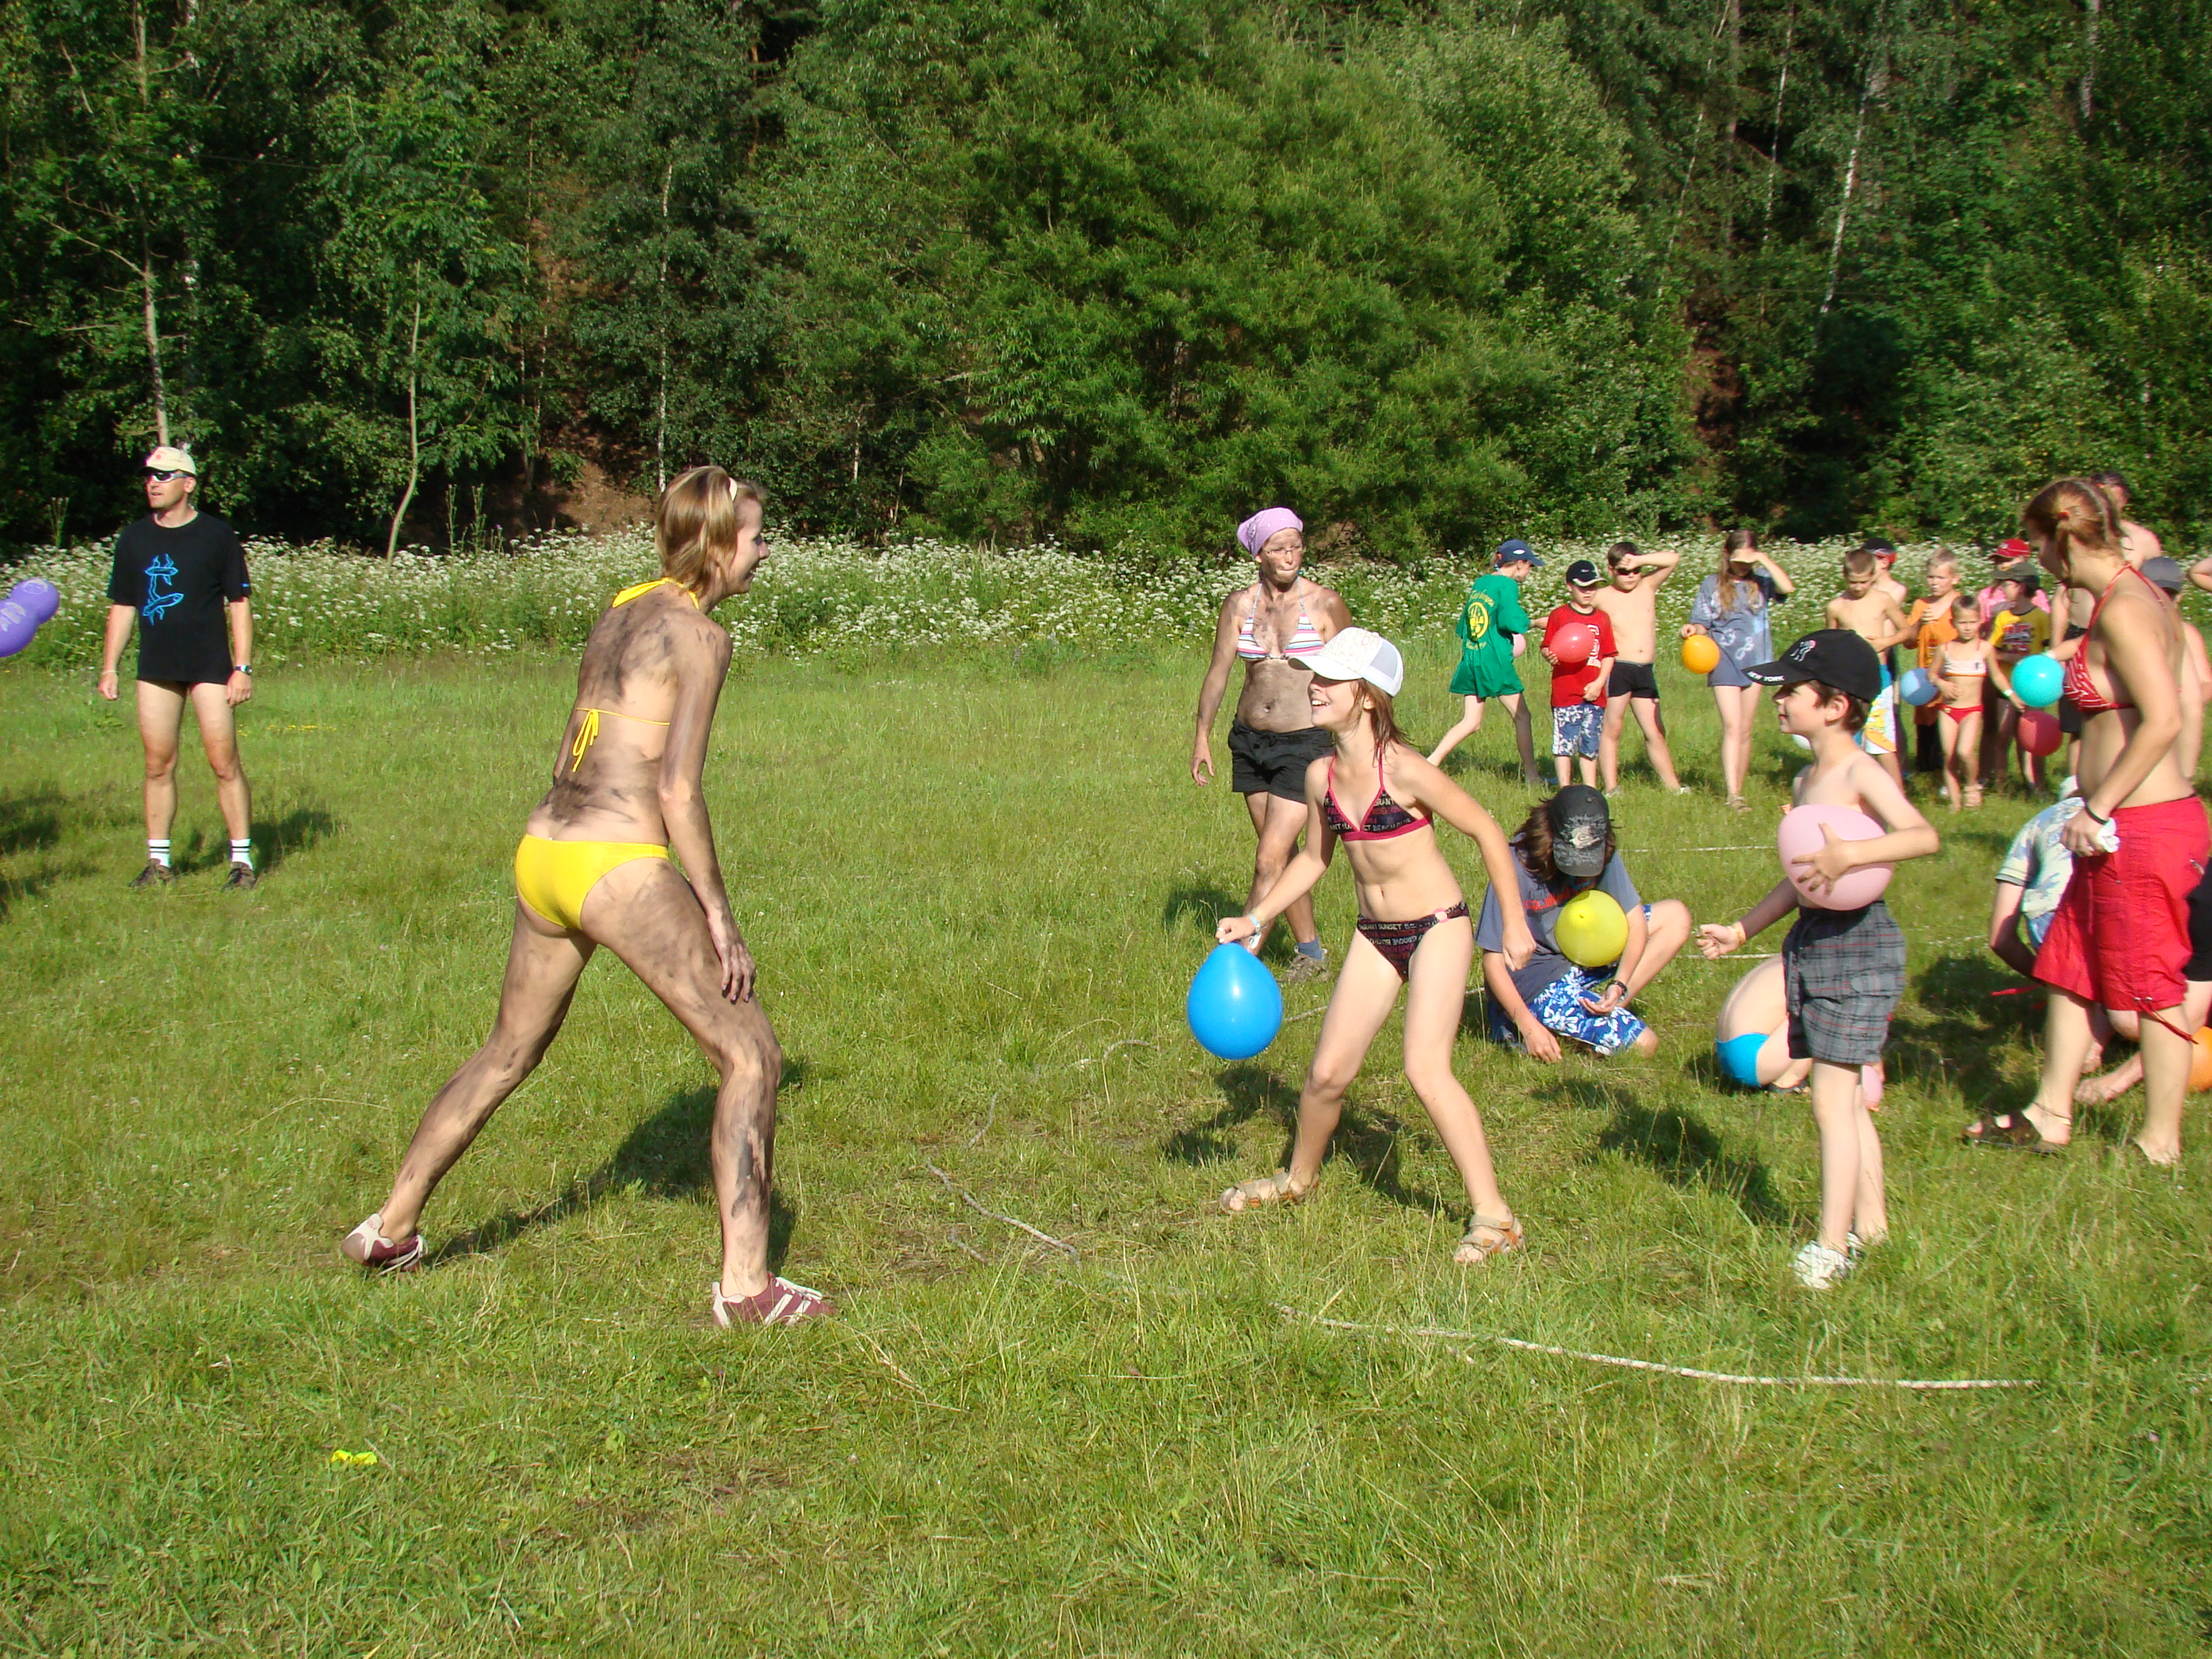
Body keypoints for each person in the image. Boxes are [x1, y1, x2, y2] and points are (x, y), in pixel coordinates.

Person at [340, 468, 832, 1327]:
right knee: (754, 1056)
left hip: (545, 852)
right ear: (718, 542)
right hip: (616, 862)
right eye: (757, 537)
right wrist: (720, 916)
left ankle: (390, 1228)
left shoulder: (626, 604)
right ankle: (748, 1288)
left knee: (507, 1051)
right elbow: (677, 788)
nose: (765, 552)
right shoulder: (701, 637)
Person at [1214, 628, 1538, 1265]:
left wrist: (1516, 925)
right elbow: (1314, 861)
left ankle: (1496, 1217)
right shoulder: (1320, 775)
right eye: (1315, 677)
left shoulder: (1407, 769)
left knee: (1425, 1069)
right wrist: (1256, 918)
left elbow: (1487, 831)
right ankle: (1297, 1182)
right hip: (1375, 935)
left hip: (1437, 927)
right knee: (1326, 1075)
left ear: (1366, 695)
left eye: (1329, 680)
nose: (1315, 688)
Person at [1963, 478, 2207, 1167]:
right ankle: (2050, 1112)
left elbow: (2164, 720)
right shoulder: (2126, 599)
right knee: (2070, 965)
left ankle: (2160, 1141)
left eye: (2039, 544)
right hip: (2109, 826)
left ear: (2062, 538)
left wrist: (2097, 808)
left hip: (2141, 826)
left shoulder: (2128, 608)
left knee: (2151, 985)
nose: (2038, 560)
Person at [1698, 630, 1940, 1289]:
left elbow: (1922, 836)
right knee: (1847, 1100)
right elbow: (1802, 878)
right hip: (1813, 943)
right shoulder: (1806, 778)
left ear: (1835, 706)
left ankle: (1831, 1247)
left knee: (1832, 1102)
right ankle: (1873, 1229)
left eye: (1792, 691)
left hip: (1859, 945)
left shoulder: (1860, 772)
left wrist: (1852, 854)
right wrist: (1742, 928)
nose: (1778, 700)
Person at [1193, 508, 1351, 981]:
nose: (1290, 556)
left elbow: (1354, 674)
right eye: (1279, 548)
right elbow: (1218, 672)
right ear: (1259, 554)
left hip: (1305, 744)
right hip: (1249, 742)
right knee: (1279, 854)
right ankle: (1312, 953)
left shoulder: (1325, 604)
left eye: (1296, 546)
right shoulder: (1238, 605)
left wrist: (1358, 742)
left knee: (1268, 859)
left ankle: (1236, 968)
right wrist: (1202, 736)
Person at [98, 446, 258, 890]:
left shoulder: (217, 535)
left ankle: (242, 863)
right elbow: (124, 605)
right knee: (157, 765)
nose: (153, 483)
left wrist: (242, 668)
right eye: (149, 476)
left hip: (210, 666)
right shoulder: (134, 538)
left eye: (164, 475)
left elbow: (239, 603)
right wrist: (110, 667)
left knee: (224, 763)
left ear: (188, 484)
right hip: (157, 667)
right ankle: (159, 863)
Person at [1477, 785, 1691, 1060]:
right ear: (1549, 835)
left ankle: (1607, 1008)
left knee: (1675, 916)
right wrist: (1528, 1027)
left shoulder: (1599, 847)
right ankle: (1524, 1023)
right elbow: (1492, 962)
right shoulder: (1515, 864)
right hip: (1536, 979)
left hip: (1582, 948)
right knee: (1645, 1044)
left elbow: (1635, 922)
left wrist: (1620, 985)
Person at [1683, 529, 1795, 811]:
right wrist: (1692, 630)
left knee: (1745, 729)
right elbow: (1702, 623)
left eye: (1748, 560)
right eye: (1738, 560)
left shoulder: (1763, 581)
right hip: (1723, 660)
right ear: (1727, 555)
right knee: (1732, 727)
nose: (1743, 566)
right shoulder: (1712, 584)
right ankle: (1733, 794)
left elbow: (1788, 588)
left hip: (1757, 661)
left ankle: (1739, 789)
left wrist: (1763, 559)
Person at [1428, 538, 1545, 786]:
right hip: (1495, 662)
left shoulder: (1481, 583)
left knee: (1471, 722)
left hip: (1472, 657)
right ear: (1520, 563)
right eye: (1530, 566)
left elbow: (1463, 626)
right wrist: (1535, 623)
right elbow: (1511, 621)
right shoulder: (1507, 585)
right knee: (1522, 716)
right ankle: (1532, 776)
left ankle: (1430, 763)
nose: (1530, 571)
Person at [1593, 541, 1687, 795]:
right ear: (1611, 570)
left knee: (1655, 730)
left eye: (1636, 570)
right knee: (1612, 728)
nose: (1631, 576)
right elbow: (1573, 614)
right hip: (1618, 668)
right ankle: (1612, 786)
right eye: (1624, 571)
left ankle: (1673, 787)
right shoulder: (1602, 596)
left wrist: (1639, 559)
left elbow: (1673, 558)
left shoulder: (1647, 586)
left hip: (1644, 670)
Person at [1824, 549, 1910, 787]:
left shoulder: (1883, 600)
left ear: (1873, 576)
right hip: (1848, 678)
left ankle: (1897, 795)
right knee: (1849, 737)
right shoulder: (1836, 606)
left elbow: (1906, 630)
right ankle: (1850, 790)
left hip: (1877, 676)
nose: (1859, 587)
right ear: (1844, 576)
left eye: (1864, 582)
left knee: (1881, 741)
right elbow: (1830, 642)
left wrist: (1885, 642)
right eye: (1853, 582)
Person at [1542, 560, 1616, 788]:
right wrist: (1549, 655)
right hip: (1566, 691)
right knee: (1564, 744)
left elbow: (1609, 655)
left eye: (1593, 586)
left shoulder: (1602, 618)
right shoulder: (1559, 616)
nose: (1588, 591)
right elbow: (1547, 646)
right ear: (1570, 586)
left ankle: (1589, 789)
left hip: (1595, 693)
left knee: (1590, 745)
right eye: (1583, 587)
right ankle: (1564, 788)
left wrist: (1599, 683)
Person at [1986, 564, 2053, 793]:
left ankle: (2036, 785)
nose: (2002, 589)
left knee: (2033, 738)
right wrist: (2007, 657)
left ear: (2021, 587)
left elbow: (2051, 651)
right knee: (2003, 736)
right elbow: (1990, 651)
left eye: (2007, 584)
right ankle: (2001, 786)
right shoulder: (2003, 617)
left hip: (2034, 688)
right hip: (2007, 685)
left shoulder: (2041, 617)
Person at [2142, 556, 2206, 779]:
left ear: (2180, 596)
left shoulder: (2187, 634)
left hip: (2173, 725)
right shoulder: (2133, 631)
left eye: (2168, 595)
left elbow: (2206, 682)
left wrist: (2177, 702)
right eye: (2155, 592)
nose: (2162, 600)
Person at [1713, 958, 1813, 1094]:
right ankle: (1788, 1081)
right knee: (1822, 1012)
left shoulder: (1781, 960)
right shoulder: (1812, 966)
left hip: (1725, 1054)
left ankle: (1775, 1073)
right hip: (1755, 1059)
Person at [1902, 551, 1961, 776]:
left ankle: (1950, 771)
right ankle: (1926, 771)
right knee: (1926, 723)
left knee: (1949, 723)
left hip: (1951, 677)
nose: (1934, 583)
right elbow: (1909, 642)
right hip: (1925, 678)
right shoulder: (1921, 605)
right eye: (1931, 577)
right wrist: (1918, 624)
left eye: (1941, 578)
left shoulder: (1960, 605)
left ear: (1955, 579)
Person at [1932, 596, 1988, 811]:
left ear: (1980, 621)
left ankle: (1972, 786)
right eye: (1962, 622)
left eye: (1972, 622)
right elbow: (1931, 674)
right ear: (1953, 623)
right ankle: (1955, 803)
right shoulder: (1945, 649)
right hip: (1948, 710)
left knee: (1965, 752)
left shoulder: (1984, 648)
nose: (1967, 627)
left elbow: (1998, 676)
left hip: (1972, 710)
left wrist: (2012, 695)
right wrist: (1941, 684)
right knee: (1949, 756)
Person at [2089, 470, 2163, 565]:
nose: (2105, 508)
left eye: (2113, 503)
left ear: (2124, 501)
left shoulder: (2143, 540)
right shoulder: (2073, 536)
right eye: (2098, 502)